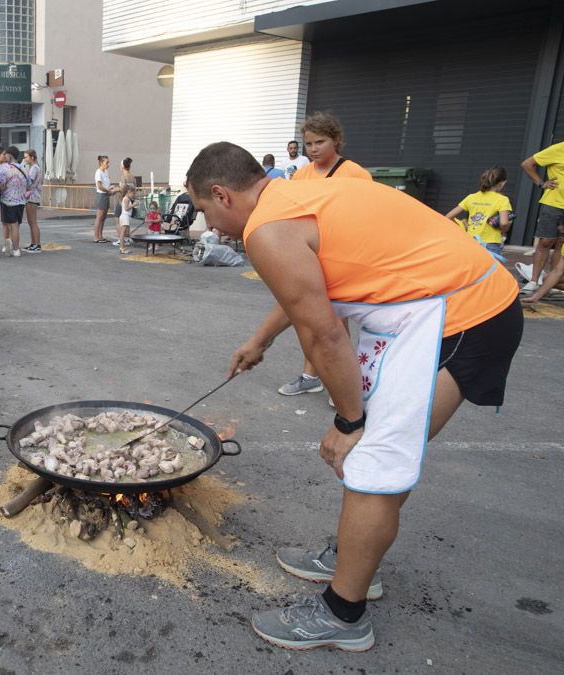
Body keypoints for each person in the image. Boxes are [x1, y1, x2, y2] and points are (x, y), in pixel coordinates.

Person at [186, 140, 521, 652]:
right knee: (380, 461)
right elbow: (311, 289)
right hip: (445, 305)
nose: (209, 226)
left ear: (221, 194)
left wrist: (348, 422)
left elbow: (324, 335)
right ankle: (352, 557)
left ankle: (345, 615)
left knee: (371, 462)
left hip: (462, 316)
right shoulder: (296, 195)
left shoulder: (265, 231)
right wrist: (260, 340)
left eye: (206, 211)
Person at [279, 113, 372, 399]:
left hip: (342, 254)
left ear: (336, 140)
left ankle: (341, 381)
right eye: (308, 143)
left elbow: (370, 213)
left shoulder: (354, 173)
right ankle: (312, 375)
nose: (313, 148)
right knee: (311, 317)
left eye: (320, 142)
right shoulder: (303, 174)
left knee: (335, 320)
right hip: (309, 255)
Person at [519, 141, 564, 294]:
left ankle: (553, 282)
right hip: (553, 203)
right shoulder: (558, 148)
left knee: (561, 244)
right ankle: (534, 281)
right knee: (546, 241)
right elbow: (527, 164)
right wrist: (541, 183)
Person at [444, 167, 512, 255]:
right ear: (502, 183)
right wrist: (504, 229)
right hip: (490, 243)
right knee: (490, 268)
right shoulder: (502, 200)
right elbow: (503, 223)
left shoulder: (471, 197)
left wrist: (463, 227)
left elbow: (448, 216)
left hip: (470, 242)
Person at [0, 146, 28, 257]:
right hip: (21, 201)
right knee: (16, 225)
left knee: (9, 224)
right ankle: (17, 250)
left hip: (8, 201)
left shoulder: (5, 169)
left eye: (6, 154)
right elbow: (28, 184)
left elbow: (1, 186)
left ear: (10, 155)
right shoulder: (24, 168)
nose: (5, 156)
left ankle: (11, 247)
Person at [93, 155, 118, 243]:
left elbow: (106, 184)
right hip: (101, 195)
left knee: (103, 217)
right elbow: (99, 186)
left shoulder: (105, 172)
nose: (108, 164)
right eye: (107, 162)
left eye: (108, 162)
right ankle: (96, 237)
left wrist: (111, 188)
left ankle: (100, 236)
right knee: (99, 217)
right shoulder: (98, 172)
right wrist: (108, 190)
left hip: (106, 194)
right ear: (101, 163)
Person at [22, 149, 42, 252]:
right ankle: (33, 243)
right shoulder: (33, 167)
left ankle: (37, 244)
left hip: (32, 197)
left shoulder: (34, 168)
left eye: (26, 157)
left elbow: (29, 182)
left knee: (33, 222)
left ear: (32, 157)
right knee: (31, 222)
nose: (25, 159)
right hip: (32, 196)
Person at [114, 158, 137, 246]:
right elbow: (133, 189)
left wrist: (116, 190)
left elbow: (123, 188)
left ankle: (121, 239)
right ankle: (127, 239)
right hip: (131, 200)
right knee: (126, 221)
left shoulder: (124, 176)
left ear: (122, 166)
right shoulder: (132, 176)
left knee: (117, 220)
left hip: (123, 200)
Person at [116, 185, 136, 255]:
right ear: (129, 192)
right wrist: (133, 205)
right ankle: (122, 247)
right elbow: (126, 208)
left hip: (125, 216)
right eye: (133, 193)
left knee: (124, 232)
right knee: (123, 233)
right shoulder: (126, 199)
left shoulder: (126, 198)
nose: (133, 195)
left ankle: (123, 247)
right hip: (125, 216)